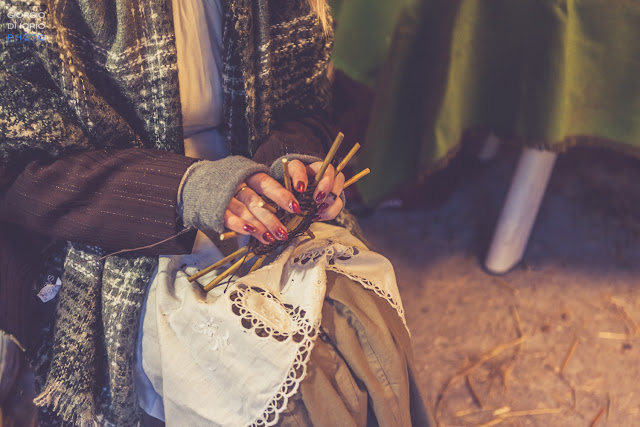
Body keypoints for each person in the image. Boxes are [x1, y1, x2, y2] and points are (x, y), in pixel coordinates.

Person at [0, 0, 432, 425]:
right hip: (118, 218)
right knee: (297, 394)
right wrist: (186, 189)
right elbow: (20, 169)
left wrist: (293, 164)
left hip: (256, 188)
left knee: (368, 330)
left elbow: (304, 108)